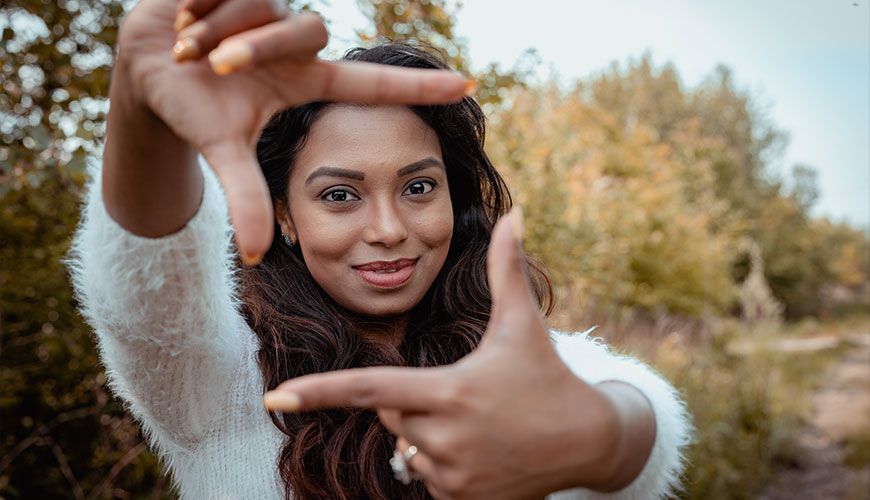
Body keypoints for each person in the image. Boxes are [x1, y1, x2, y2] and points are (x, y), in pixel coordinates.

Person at [65, 0, 693, 498]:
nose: (388, 229)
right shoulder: (214, 379)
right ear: (284, 215)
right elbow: (146, 290)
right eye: (340, 195)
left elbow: (637, 417)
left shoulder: (520, 364)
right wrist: (145, 118)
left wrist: (589, 436)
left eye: (418, 187)